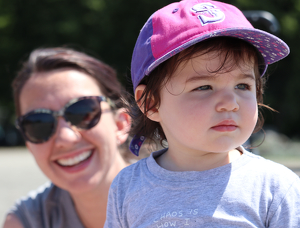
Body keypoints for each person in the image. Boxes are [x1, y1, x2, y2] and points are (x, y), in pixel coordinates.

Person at [104, 0, 300, 227]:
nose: (230, 103)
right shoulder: (128, 187)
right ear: (151, 103)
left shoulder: (274, 187)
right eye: (204, 87)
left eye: (242, 86)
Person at [3, 47, 132, 228]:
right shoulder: (27, 222)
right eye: (38, 123)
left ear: (120, 125)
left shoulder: (179, 201)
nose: (66, 138)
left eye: (83, 112)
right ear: (29, 145)